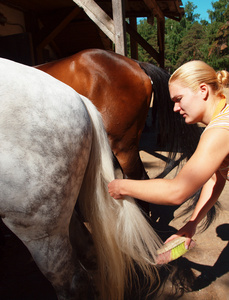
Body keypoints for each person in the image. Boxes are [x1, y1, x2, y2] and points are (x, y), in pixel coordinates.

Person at [108, 60, 229, 249]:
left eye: (178, 99)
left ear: (203, 90)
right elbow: (215, 180)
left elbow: (176, 192)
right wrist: (192, 224)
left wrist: (121, 186)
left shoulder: (220, 130)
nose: (175, 108)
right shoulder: (222, 119)